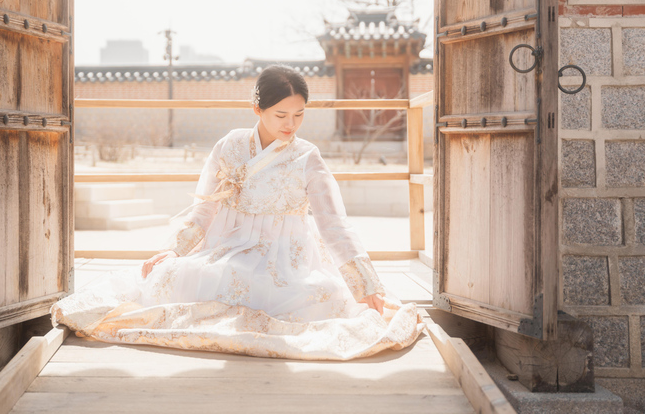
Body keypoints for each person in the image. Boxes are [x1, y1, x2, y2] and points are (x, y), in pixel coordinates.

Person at [51, 64, 424, 360]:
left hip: (287, 255)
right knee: (176, 275)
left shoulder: (308, 157)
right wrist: (175, 249)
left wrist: (365, 282)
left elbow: (333, 224)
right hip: (230, 245)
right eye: (280, 115)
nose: (290, 125)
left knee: (319, 294)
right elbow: (205, 210)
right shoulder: (229, 146)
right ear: (257, 109)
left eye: (299, 115)